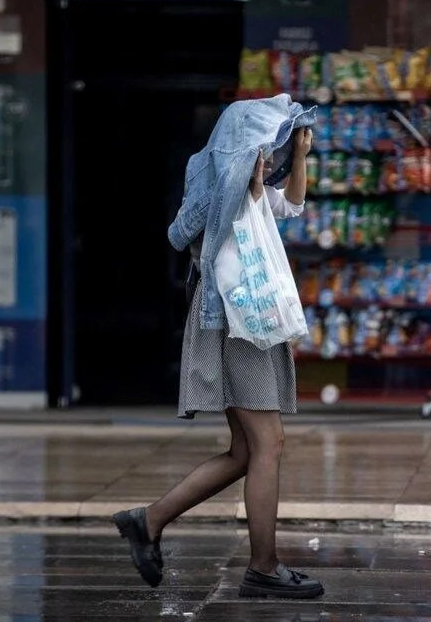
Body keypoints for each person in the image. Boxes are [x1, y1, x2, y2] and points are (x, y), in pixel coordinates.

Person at [113, 123, 324, 600]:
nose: (270, 160)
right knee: (268, 443)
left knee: (247, 452)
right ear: (241, 149)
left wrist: (300, 156)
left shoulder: (254, 193)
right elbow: (181, 232)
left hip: (253, 323)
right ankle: (264, 566)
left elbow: (291, 204)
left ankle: (147, 521)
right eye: (264, 150)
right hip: (235, 321)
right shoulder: (215, 185)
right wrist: (240, 181)